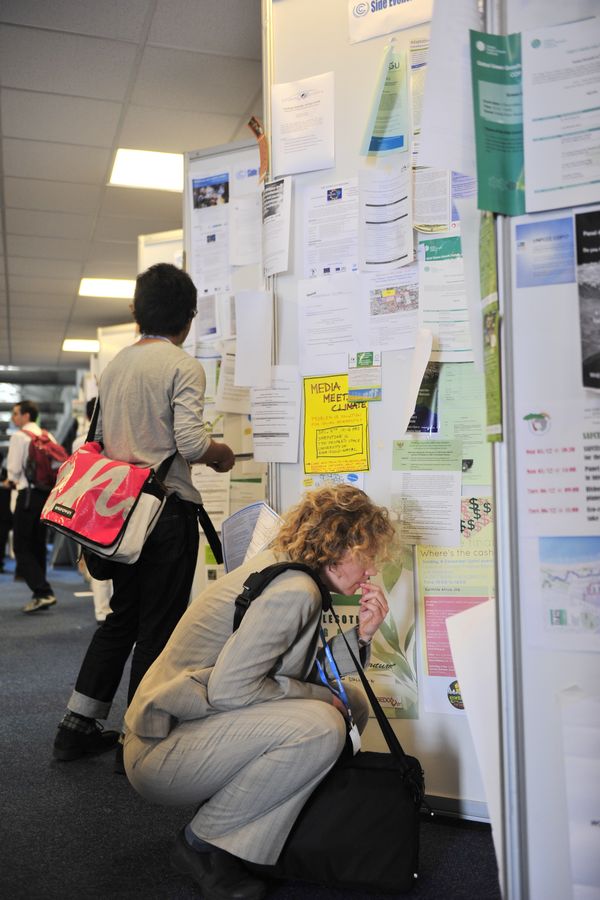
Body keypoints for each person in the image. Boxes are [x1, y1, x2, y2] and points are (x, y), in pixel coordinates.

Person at [123, 484, 396, 900]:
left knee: (350, 705)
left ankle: (246, 835)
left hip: (186, 730)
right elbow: (233, 690)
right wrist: (323, 700)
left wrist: (362, 635)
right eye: (368, 555)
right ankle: (202, 845)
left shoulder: (291, 571)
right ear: (340, 546)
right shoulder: (294, 591)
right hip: (159, 751)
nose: (371, 570)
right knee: (322, 725)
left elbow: (302, 673)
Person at [53, 263, 235, 767]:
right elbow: (193, 444)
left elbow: (103, 440)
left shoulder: (115, 367)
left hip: (120, 515)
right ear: (189, 317)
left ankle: (76, 726)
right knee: (159, 626)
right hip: (165, 515)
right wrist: (221, 454)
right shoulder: (182, 365)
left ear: (138, 313)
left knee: (121, 619)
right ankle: (139, 739)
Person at [3, 401, 57, 613]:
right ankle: (40, 594)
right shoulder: (48, 436)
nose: (13, 417)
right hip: (45, 497)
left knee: (21, 547)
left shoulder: (19, 436)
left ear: (26, 415)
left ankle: (43, 591)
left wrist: (9, 480)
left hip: (26, 496)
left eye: (16, 413)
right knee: (38, 545)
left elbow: (14, 471)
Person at [73, 399, 113, 624]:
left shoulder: (80, 442)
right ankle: (114, 609)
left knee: (98, 559)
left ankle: (101, 611)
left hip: (88, 506)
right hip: (116, 506)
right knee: (119, 556)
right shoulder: (120, 440)